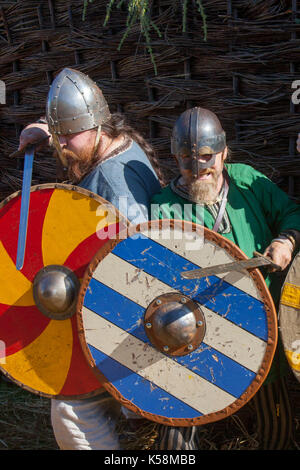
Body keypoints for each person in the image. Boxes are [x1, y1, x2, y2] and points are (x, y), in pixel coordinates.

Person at [18, 67, 162, 450]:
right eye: (58, 135)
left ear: (96, 126)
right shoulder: (119, 141)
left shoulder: (118, 190)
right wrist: (48, 132)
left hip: (131, 322)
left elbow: (136, 270)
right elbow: (73, 136)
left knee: (70, 406)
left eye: (68, 136)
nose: (62, 146)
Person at [150, 106, 300, 450]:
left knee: (274, 422)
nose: (199, 168)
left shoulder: (246, 181)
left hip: (263, 325)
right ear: (176, 158)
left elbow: (293, 212)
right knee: (179, 420)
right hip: (196, 330)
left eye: (207, 157)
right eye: (188, 159)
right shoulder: (164, 208)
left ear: (224, 152)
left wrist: (286, 240)